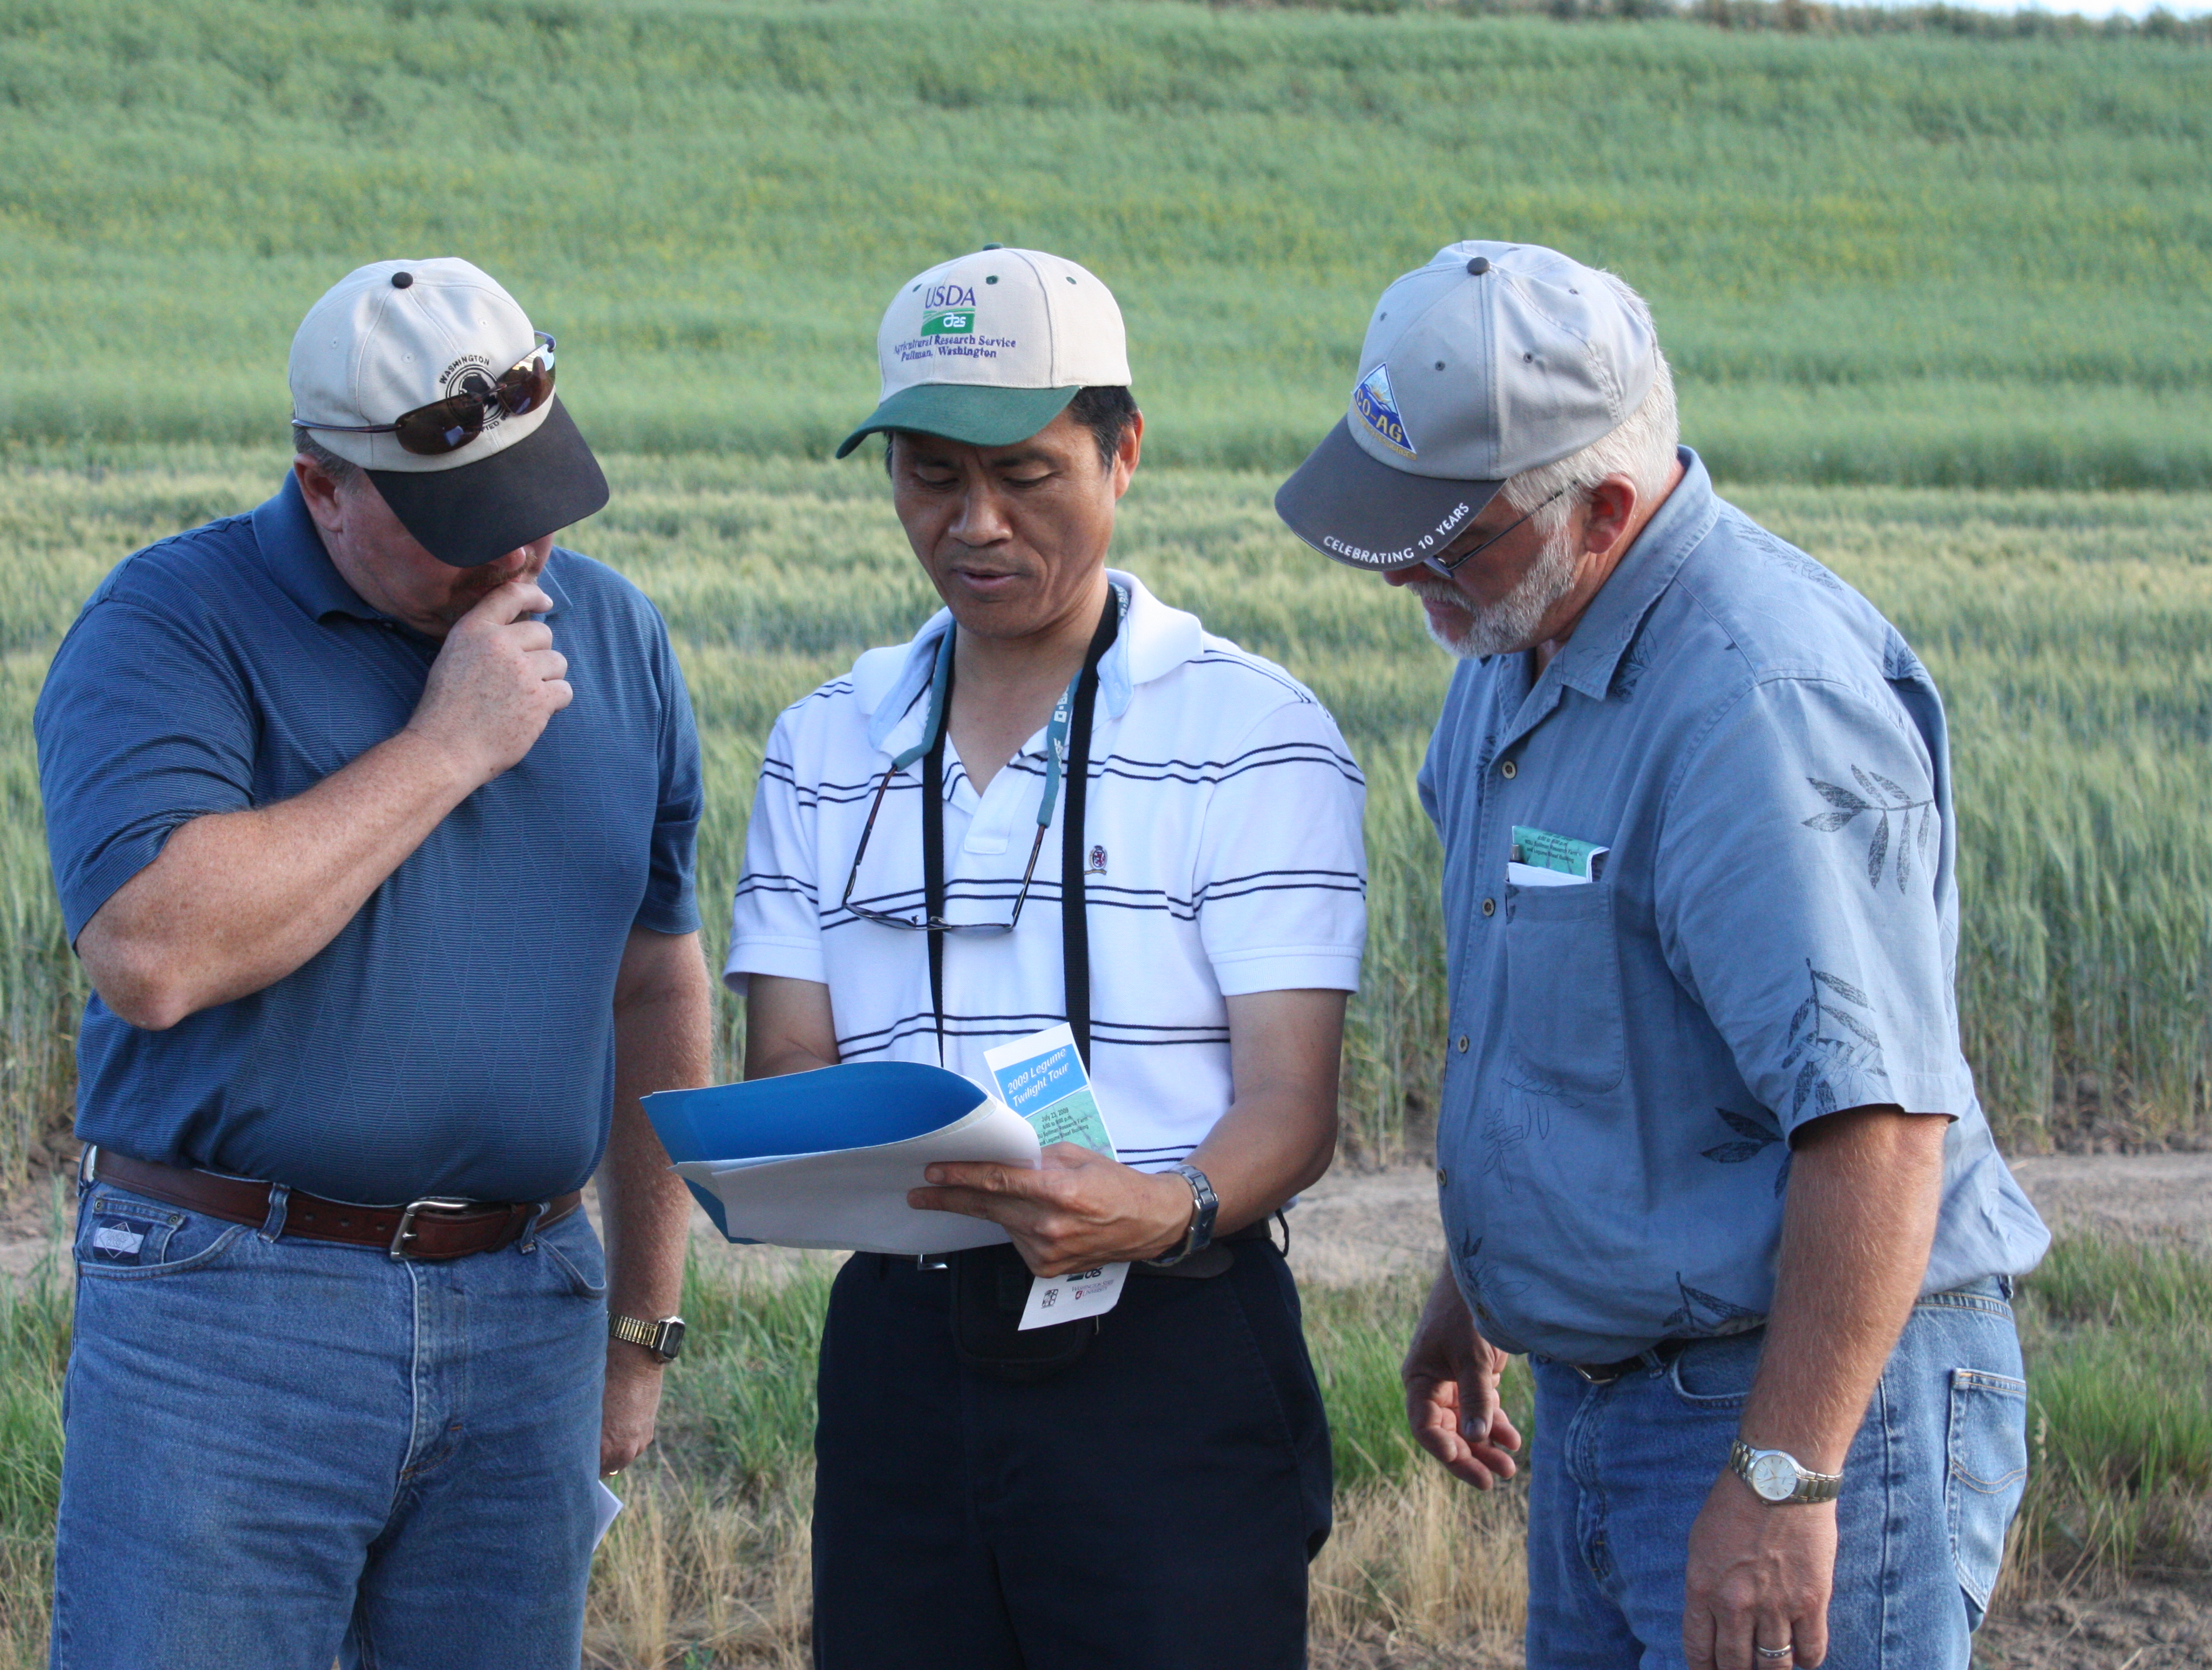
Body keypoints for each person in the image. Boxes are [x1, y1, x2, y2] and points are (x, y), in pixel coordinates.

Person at [1273, 241, 2051, 1670]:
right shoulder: (1510, 650)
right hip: (1607, 1406)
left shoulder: (1759, 703)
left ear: (1606, 507)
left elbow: (1877, 1133)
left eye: (1451, 537)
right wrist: (1481, 1287)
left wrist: (1783, 1479)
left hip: (1803, 1407)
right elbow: (1557, 1022)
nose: (1409, 577)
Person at [32, 256, 706, 1670]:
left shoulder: (624, 638)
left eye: (534, 504)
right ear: (323, 482)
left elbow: (655, 982)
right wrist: (445, 745)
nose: (519, 555)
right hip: (232, 1305)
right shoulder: (171, 623)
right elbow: (151, 951)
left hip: (531, 1306)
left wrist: (644, 1318)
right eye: (466, 522)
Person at [724, 245, 1368, 1669]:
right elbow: (786, 1066)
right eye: (930, 476)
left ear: (1122, 450)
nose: (976, 525)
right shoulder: (823, 743)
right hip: (904, 1346)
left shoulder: (1253, 732)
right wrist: (785, 1152)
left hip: (1171, 1336)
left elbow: (1292, 1101)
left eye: (1026, 475)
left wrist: (1162, 1205)